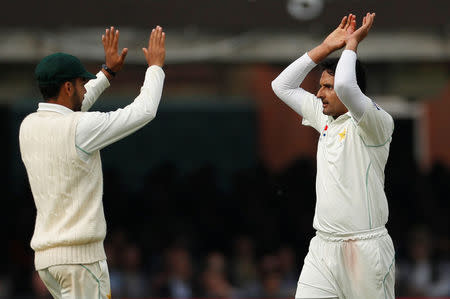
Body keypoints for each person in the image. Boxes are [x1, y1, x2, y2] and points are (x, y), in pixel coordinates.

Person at [19, 25, 166, 298]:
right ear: (67, 86)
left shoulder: (28, 126)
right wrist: (155, 67)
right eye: (81, 83)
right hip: (80, 261)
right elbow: (143, 111)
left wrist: (107, 74)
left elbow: (70, 116)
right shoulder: (78, 129)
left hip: (47, 261)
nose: (85, 88)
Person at [271, 13, 395, 299]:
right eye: (321, 86)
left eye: (327, 87)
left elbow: (346, 87)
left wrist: (351, 45)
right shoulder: (324, 117)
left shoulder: (377, 124)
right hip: (323, 248)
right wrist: (326, 47)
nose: (319, 93)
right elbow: (281, 86)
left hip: (366, 248)